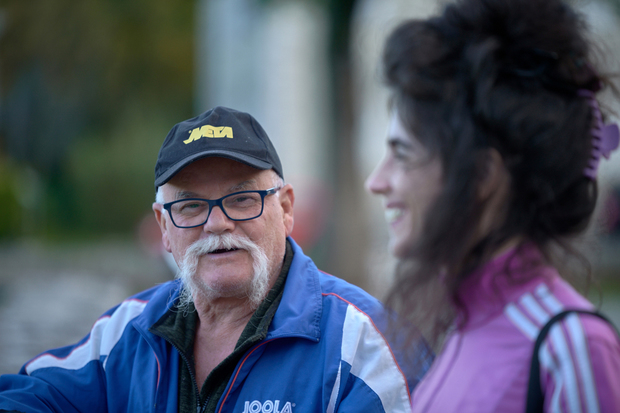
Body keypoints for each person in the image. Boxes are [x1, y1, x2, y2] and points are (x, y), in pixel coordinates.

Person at [0, 106, 431, 413]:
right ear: (163, 227)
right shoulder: (128, 331)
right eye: (190, 206)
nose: (217, 224)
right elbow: (27, 395)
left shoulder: (364, 348)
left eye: (242, 199)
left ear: (285, 209)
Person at [365, 0, 620, 412]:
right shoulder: (461, 328)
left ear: (483, 174)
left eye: (403, 153)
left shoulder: (571, 348)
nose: (376, 181)